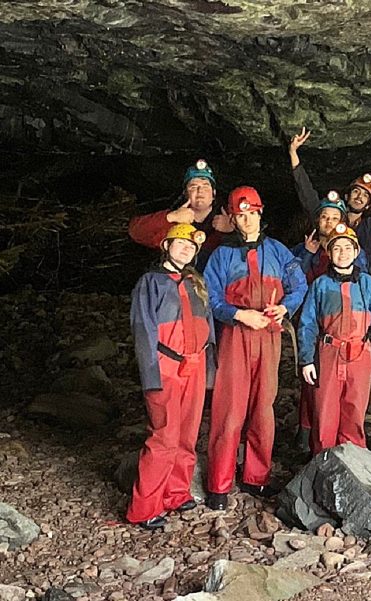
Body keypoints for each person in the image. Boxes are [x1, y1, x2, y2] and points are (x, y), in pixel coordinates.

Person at [203, 186, 308, 510]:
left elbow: (299, 284)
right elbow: (211, 296)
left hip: (270, 336)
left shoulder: (277, 251)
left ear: (261, 215)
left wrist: (285, 307)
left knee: (264, 407)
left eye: (252, 214)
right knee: (229, 409)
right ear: (233, 219)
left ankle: (255, 477)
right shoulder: (221, 255)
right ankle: (219, 484)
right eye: (241, 215)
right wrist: (238, 313)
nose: (247, 220)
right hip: (236, 336)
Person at [127, 223, 216, 529]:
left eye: (190, 246)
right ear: (165, 245)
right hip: (166, 365)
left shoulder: (195, 282)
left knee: (188, 434)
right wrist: (150, 376)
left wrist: (209, 371)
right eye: (180, 244)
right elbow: (143, 330)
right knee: (164, 435)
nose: (186, 249)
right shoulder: (149, 283)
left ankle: (176, 493)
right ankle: (144, 507)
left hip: (194, 365)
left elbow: (209, 328)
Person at [297, 224, 371, 454]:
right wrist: (306, 360)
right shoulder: (320, 285)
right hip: (329, 353)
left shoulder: (367, 284)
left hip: (360, 354)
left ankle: (353, 465)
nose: (343, 253)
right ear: (329, 254)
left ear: (356, 251)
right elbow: (308, 324)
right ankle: (322, 464)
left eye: (348, 248)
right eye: (337, 248)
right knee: (325, 413)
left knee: (355, 412)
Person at [291, 191, 368, 453]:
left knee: (331, 387)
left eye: (335, 217)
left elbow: (363, 284)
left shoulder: (347, 248)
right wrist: (306, 256)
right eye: (324, 217)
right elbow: (289, 281)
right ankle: (307, 431)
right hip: (310, 321)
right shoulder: (304, 250)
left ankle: (340, 443)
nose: (328, 222)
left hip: (339, 326)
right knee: (310, 379)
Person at [128, 159, 234, 268]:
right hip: (179, 281)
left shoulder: (229, 216)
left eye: (205, 186)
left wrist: (232, 229)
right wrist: (171, 217)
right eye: (193, 187)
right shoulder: (174, 222)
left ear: (214, 193)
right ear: (186, 194)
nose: (200, 190)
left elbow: (249, 249)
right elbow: (136, 232)